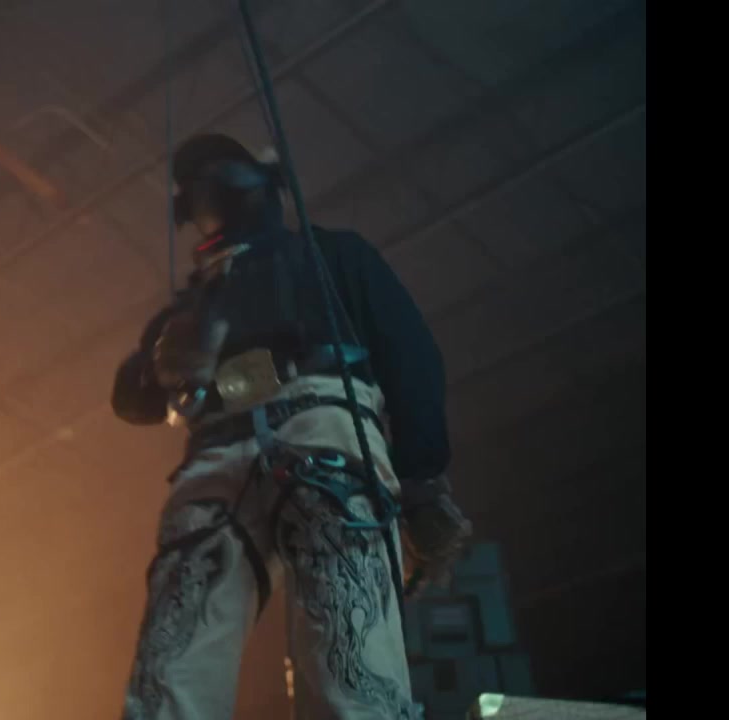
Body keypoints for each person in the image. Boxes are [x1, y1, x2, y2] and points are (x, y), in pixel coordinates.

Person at [113, 133, 472, 720]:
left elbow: (130, 401)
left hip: (245, 456)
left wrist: (422, 477)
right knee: (353, 673)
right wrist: (422, 477)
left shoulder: (316, 260)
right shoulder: (316, 261)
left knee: (173, 684)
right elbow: (410, 354)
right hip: (313, 443)